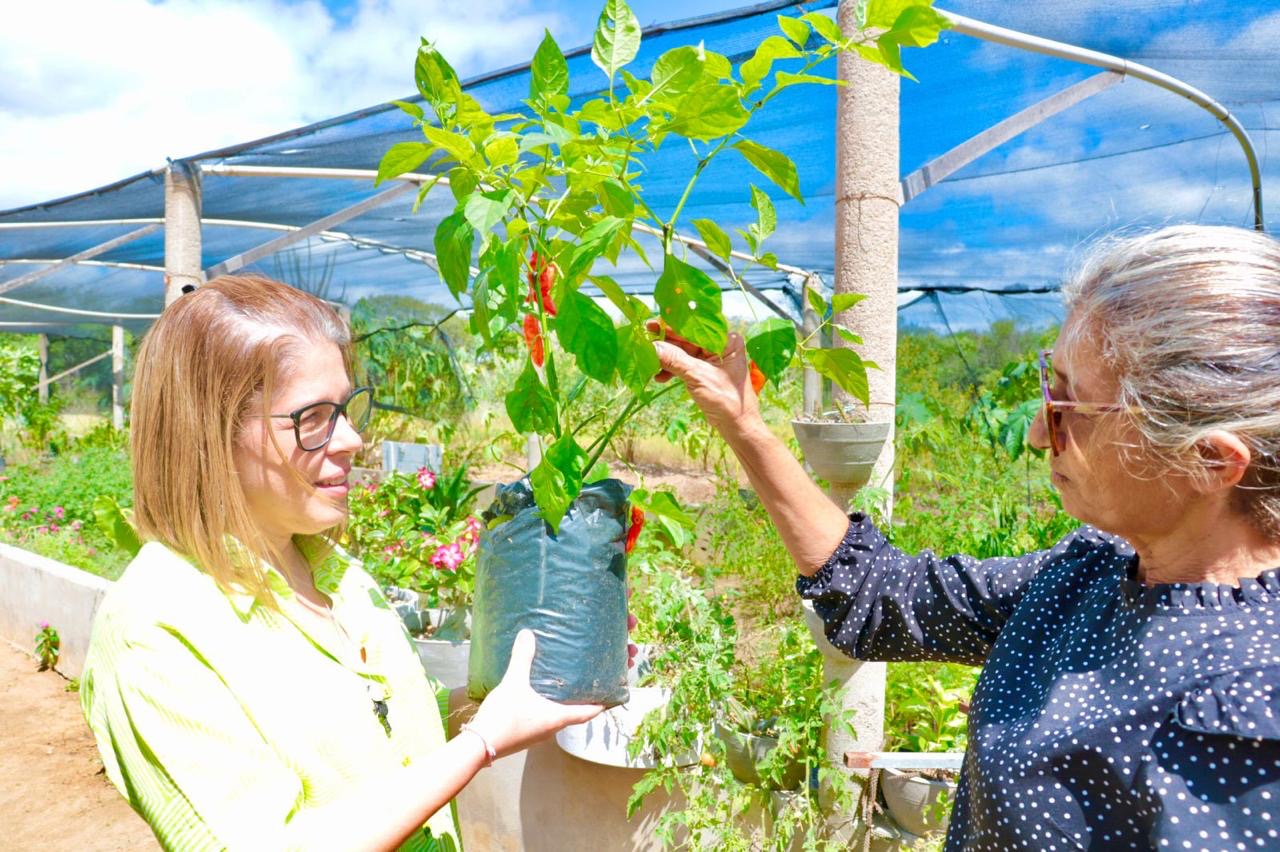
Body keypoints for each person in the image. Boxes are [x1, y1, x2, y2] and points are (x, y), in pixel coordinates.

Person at [654, 224, 1280, 850]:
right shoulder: (1089, 575)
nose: (1037, 434)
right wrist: (741, 420)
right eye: (1047, 387)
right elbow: (879, 595)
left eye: (1069, 411)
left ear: (1208, 461)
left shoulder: (1253, 703)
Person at [80, 274, 602, 851]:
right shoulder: (154, 630)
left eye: (347, 409)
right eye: (312, 418)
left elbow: (382, 725)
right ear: (209, 434)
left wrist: (504, 696)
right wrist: (482, 741)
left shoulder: (331, 571)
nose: (352, 440)